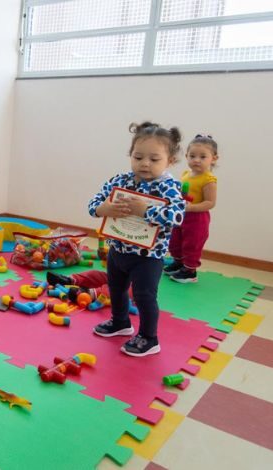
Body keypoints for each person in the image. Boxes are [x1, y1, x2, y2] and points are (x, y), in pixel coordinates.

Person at [87, 121, 186, 357]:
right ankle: (120, 322)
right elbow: (92, 206)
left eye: (154, 159)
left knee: (144, 296)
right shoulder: (119, 181)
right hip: (118, 249)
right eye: (138, 156)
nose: (144, 163)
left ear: (169, 161)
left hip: (148, 257)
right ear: (130, 155)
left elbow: (177, 216)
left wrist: (146, 211)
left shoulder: (169, 187)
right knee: (116, 288)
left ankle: (149, 338)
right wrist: (104, 209)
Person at [165, 134, 219, 283]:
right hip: (181, 214)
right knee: (175, 240)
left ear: (213, 158)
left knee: (192, 244)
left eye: (203, 157)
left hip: (197, 218)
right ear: (187, 156)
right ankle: (179, 262)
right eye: (192, 156)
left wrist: (191, 207)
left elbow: (210, 202)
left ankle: (190, 271)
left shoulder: (209, 180)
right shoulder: (186, 174)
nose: (196, 160)